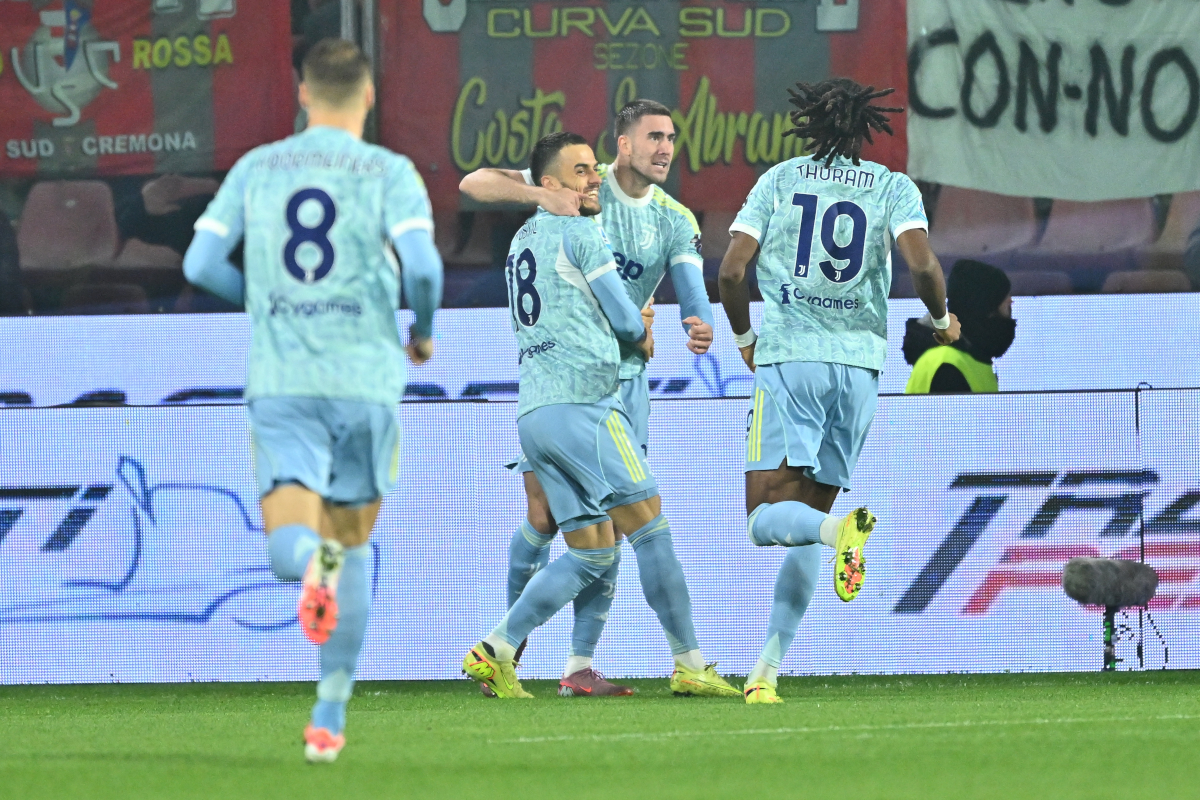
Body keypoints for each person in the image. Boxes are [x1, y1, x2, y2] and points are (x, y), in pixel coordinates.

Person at [182, 38, 443, 762]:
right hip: (365, 380)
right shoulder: (391, 172)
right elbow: (422, 267)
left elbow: (199, 263)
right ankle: (329, 713)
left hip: (285, 381)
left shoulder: (257, 168)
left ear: (302, 93)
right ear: (367, 96)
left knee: (290, 549)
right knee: (352, 542)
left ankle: (311, 564)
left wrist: (262, 307)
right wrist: (422, 333)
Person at [459, 101, 727, 697]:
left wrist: (695, 321)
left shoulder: (539, 239)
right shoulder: (579, 214)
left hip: (544, 404)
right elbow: (629, 325)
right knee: (646, 529)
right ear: (621, 146)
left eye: (672, 137)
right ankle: (689, 664)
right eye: (653, 135)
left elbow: (685, 290)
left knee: (595, 550)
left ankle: (502, 651)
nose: (665, 147)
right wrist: (638, 324)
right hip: (587, 399)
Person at [718, 79, 961, 705]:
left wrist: (745, 336)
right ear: (864, 129)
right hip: (858, 370)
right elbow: (924, 265)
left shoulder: (778, 181)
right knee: (808, 516)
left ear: (810, 123)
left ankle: (838, 536)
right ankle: (765, 673)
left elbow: (731, 271)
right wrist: (940, 322)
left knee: (765, 520)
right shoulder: (890, 185)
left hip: (792, 358)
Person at [903, 259, 1015, 394]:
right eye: (1006, 308)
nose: (1009, 320)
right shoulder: (948, 369)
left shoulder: (971, 361)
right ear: (985, 311)